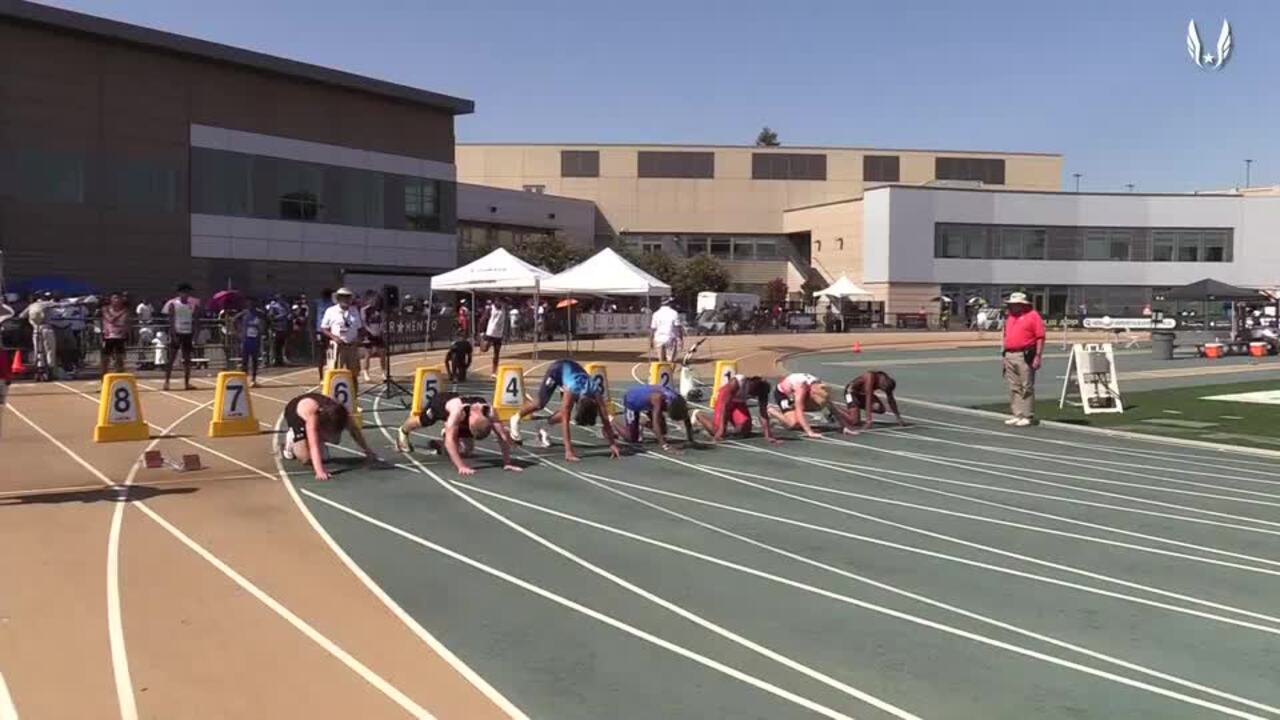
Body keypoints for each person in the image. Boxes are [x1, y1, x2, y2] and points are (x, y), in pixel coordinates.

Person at [510, 358, 621, 462]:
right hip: (557, 370)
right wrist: (568, 450)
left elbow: (605, 418)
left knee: (567, 412)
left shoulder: (595, 390)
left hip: (572, 372)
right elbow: (565, 421)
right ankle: (516, 417)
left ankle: (545, 424)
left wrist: (612, 444)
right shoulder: (571, 389)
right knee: (540, 404)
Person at [396, 391, 521, 475]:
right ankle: (403, 430)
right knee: (424, 421)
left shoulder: (490, 412)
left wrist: (507, 462)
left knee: (467, 451)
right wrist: (461, 466)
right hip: (440, 404)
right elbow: (451, 440)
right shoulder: (457, 411)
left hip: (465, 421)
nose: (477, 406)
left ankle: (441, 444)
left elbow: (503, 436)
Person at [280, 392, 380, 481]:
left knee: (335, 440)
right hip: (296, 413)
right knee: (305, 458)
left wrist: (368, 451)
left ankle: (320, 442)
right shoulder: (313, 414)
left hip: (321, 417)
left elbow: (355, 431)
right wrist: (319, 471)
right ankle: (290, 440)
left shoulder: (342, 413)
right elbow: (313, 444)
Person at [1002, 291, 1046, 427]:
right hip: (1009, 353)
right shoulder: (1009, 317)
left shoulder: (1033, 316)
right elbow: (1005, 336)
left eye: (1016, 304)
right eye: (1011, 304)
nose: (1013, 307)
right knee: (1013, 386)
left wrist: (1038, 356)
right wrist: (1004, 356)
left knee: (1026, 385)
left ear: (1022, 305)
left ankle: (1027, 415)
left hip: (1025, 354)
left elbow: (1040, 337)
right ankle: (1017, 413)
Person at [694, 374, 778, 443]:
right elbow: (725, 407)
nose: (754, 395)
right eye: (754, 393)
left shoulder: (763, 390)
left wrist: (768, 435)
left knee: (745, 429)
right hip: (724, 400)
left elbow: (763, 412)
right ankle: (698, 414)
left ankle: (726, 428)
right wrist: (721, 430)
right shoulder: (737, 382)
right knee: (716, 430)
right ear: (753, 385)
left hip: (738, 402)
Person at [769, 372, 856, 437]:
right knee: (793, 424)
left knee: (820, 406)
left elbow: (832, 407)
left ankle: (789, 413)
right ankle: (771, 410)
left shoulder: (819, 386)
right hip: (783, 394)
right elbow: (800, 410)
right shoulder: (801, 388)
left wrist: (844, 427)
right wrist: (809, 432)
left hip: (797, 393)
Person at [613, 384, 693, 453]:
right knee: (632, 438)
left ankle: (643, 423)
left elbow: (686, 416)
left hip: (648, 401)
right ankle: (613, 421)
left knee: (663, 431)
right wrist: (665, 446)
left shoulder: (678, 399)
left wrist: (690, 439)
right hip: (632, 401)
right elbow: (656, 423)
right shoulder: (657, 399)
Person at [320, 288, 364, 389]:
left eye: (348, 297)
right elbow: (323, 328)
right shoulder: (331, 311)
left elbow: (360, 328)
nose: (345, 300)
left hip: (352, 345)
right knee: (336, 372)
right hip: (338, 346)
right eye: (343, 297)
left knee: (354, 373)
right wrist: (334, 337)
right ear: (338, 298)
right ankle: (334, 398)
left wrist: (359, 339)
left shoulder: (354, 310)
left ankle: (354, 396)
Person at [161, 283, 199, 391]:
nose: (186, 294)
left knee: (187, 359)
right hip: (177, 333)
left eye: (188, 292)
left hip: (188, 333)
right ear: (180, 293)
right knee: (171, 358)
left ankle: (187, 383)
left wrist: (195, 335)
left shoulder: (192, 305)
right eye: (184, 292)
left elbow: (195, 320)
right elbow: (171, 320)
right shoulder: (173, 304)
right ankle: (166, 382)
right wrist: (173, 334)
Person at [100, 292, 129, 374]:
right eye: (115, 298)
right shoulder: (106, 309)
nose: (117, 300)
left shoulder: (125, 310)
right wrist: (121, 313)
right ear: (111, 300)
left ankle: (120, 373)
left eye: (118, 298)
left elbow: (126, 322)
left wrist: (125, 331)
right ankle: (104, 374)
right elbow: (110, 319)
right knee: (106, 356)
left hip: (120, 336)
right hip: (109, 336)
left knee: (120, 356)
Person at [237, 302, 265, 386]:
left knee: (254, 360)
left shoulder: (259, 314)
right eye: (249, 305)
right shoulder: (244, 313)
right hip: (246, 340)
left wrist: (261, 329)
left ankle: (253, 379)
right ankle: (243, 379)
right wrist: (238, 332)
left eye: (253, 305)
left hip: (255, 339)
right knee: (244, 360)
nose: (251, 307)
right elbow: (234, 320)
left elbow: (265, 322)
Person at [360, 291, 385, 383]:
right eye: (373, 299)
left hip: (378, 333)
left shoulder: (379, 310)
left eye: (376, 300)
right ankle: (366, 372)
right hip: (369, 334)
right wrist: (371, 331)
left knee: (382, 354)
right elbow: (364, 323)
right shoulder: (365, 310)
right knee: (368, 354)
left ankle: (384, 372)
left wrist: (380, 330)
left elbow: (383, 321)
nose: (375, 301)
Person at [480, 297, 507, 377]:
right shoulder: (490, 309)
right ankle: (481, 341)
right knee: (484, 349)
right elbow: (483, 319)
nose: (500, 303)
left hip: (499, 334)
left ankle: (494, 371)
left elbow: (506, 322)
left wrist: (505, 333)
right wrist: (482, 331)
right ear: (495, 302)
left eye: (501, 302)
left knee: (497, 354)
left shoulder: (504, 310)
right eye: (498, 301)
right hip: (490, 332)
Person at [650, 297, 682, 362]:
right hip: (670, 338)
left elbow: (653, 328)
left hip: (658, 338)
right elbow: (678, 327)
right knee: (670, 361)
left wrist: (651, 340)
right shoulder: (674, 313)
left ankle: (662, 371)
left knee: (661, 360)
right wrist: (680, 339)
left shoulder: (656, 314)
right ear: (669, 303)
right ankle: (668, 371)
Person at [266, 295, 291, 366]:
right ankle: (274, 360)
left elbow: (289, 315)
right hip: (276, 328)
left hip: (284, 328)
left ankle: (282, 360)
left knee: (283, 345)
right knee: (275, 345)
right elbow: (270, 317)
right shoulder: (274, 306)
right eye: (280, 299)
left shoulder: (286, 306)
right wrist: (281, 316)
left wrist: (288, 316)